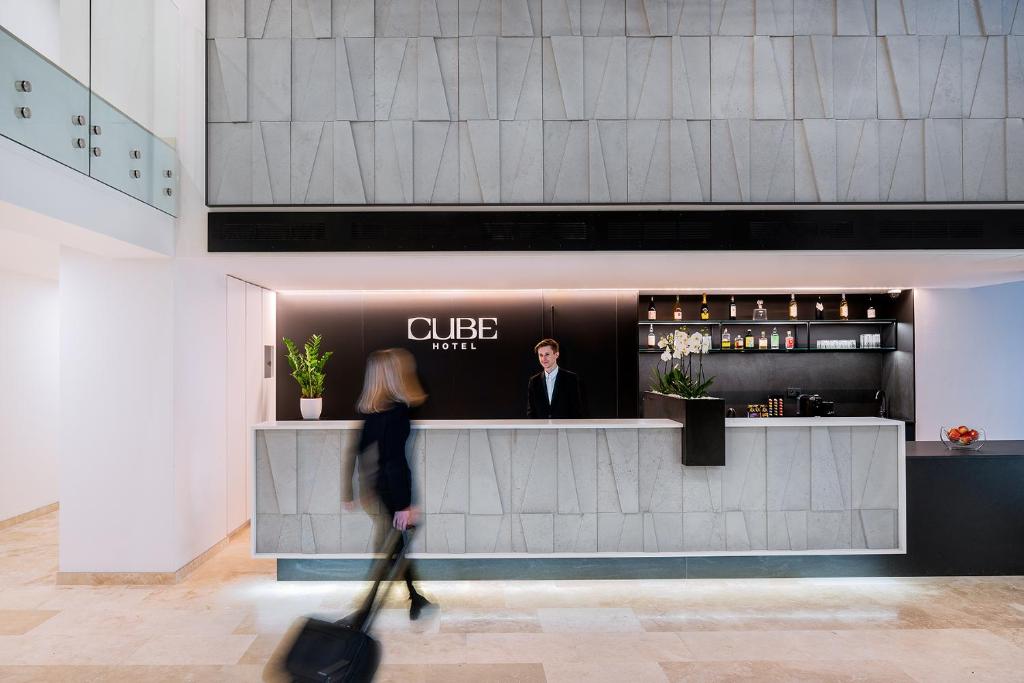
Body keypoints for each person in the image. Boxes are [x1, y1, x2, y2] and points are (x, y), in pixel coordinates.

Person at [349, 348, 433, 620]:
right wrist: (404, 504)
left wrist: (352, 490)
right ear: (391, 375)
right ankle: (367, 610)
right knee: (393, 547)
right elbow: (396, 461)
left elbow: (358, 450)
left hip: (378, 488)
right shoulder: (397, 411)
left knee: (395, 545)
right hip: (392, 490)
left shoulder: (371, 410)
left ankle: (414, 599)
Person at [526, 338, 586, 419]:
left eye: (547, 354)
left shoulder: (571, 378)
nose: (543, 359)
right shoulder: (534, 381)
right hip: (541, 430)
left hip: (564, 429)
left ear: (556, 354)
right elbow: (531, 412)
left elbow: (576, 410)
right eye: (541, 355)